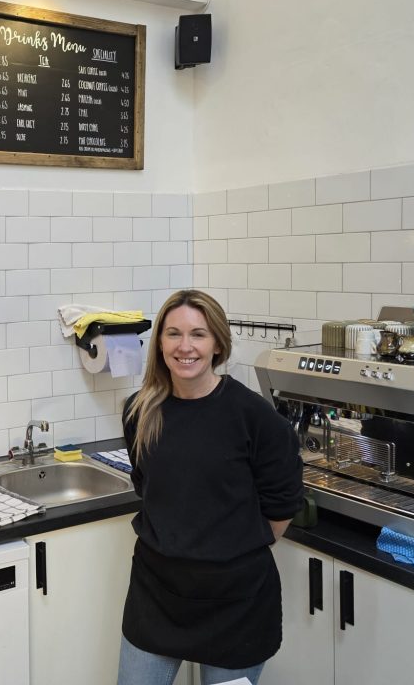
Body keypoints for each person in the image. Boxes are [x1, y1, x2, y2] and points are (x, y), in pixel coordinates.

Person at [117, 289, 303, 685]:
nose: (185, 347)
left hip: (236, 606)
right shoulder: (140, 411)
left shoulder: (256, 418)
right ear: (160, 343)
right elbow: (148, 486)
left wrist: (226, 552)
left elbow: (281, 508)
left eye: (198, 334)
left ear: (218, 343)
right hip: (156, 596)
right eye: (173, 334)